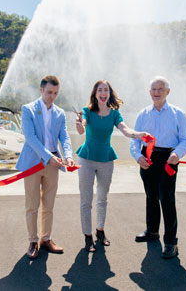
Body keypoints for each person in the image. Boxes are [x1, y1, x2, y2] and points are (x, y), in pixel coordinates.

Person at [75, 80, 149, 252]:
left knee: (102, 198)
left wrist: (138, 135)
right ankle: (87, 237)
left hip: (106, 160)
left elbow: (125, 130)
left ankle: (100, 231)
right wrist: (79, 123)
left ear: (109, 94)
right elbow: (81, 129)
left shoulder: (115, 113)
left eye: (105, 90)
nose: (103, 92)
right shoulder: (87, 112)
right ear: (95, 94)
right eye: (99, 90)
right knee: (86, 201)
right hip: (86, 159)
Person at [130, 76, 186, 259]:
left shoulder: (178, 114)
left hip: (168, 159)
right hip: (147, 158)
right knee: (151, 196)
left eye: (160, 89)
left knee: (167, 199)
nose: (156, 93)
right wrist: (138, 157)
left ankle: (171, 242)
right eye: (153, 90)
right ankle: (152, 231)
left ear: (167, 92)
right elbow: (134, 140)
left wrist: (177, 154)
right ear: (150, 93)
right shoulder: (143, 114)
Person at [16, 75, 74, 259]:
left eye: (56, 93)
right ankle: (33, 241)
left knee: (49, 205)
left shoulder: (60, 113)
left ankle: (46, 239)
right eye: (49, 92)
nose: (52, 96)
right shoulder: (28, 110)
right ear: (41, 90)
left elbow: (64, 137)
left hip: (53, 164)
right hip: (34, 162)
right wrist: (49, 157)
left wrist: (69, 156)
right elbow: (31, 138)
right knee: (32, 205)